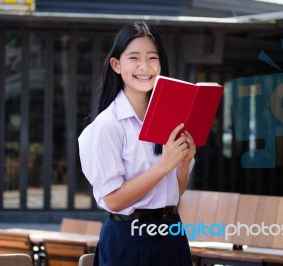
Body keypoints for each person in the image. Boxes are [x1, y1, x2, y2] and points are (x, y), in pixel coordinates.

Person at [78, 21, 196, 266]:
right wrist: (164, 165)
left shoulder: (172, 119)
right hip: (128, 238)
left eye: (152, 58)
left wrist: (182, 163)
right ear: (116, 65)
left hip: (171, 233)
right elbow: (113, 200)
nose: (145, 67)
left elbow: (176, 191)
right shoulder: (107, 126)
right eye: (134, 58)